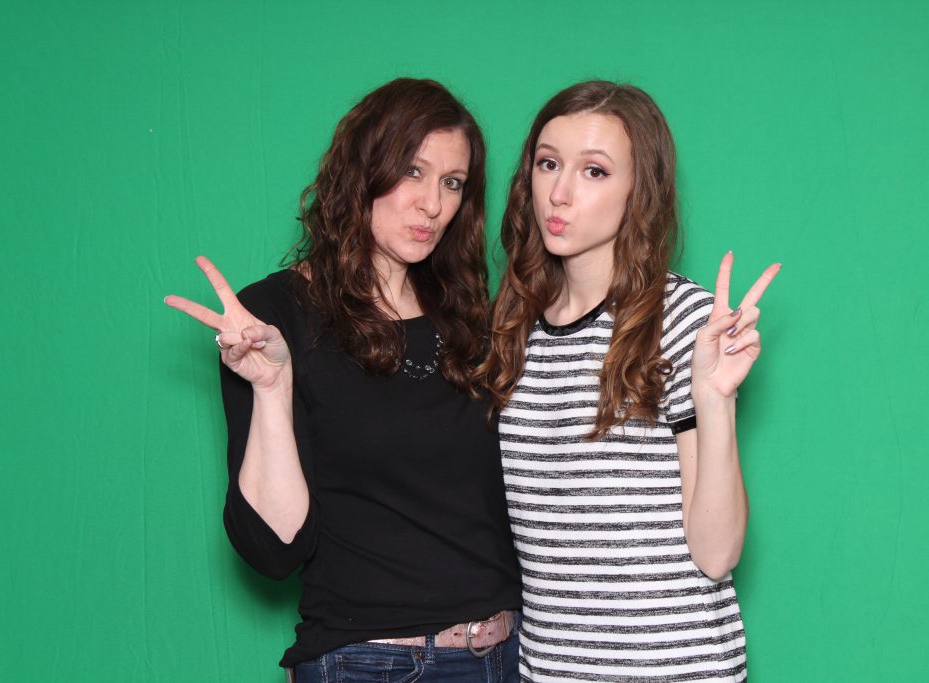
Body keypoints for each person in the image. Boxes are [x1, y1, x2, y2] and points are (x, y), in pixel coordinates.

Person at [165, 78, 522, 683]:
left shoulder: (472, 321)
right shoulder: (273, 316)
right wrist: (273, 388)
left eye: (452, 183)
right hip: (367, 662)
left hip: (503, 658)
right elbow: (275, 551)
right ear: (363, 170)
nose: (432, 204)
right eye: (412, 171)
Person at [481, 81, 780, 682]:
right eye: (548, 163)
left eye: (594, 171)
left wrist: (712, 399)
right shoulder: (511, 331)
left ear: (638, 191)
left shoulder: (684, 321)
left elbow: (717, 554)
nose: (559, 193)